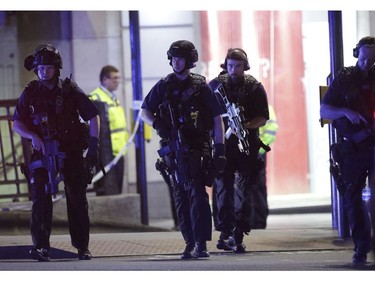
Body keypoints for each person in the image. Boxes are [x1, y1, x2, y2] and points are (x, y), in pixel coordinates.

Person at [13, 44, 100, 262]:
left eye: (49, 68)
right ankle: (41, 246)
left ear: (57, 69)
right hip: (43, 153)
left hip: (70, 151)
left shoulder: (70, 90)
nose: (44, 72)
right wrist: (33, 137)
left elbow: (93, 116)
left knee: (77, 199)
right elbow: (17, 122)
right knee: (40, 199)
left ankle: (82, 247)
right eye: (41, 68)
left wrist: (93, 145)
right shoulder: (30, 91)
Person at [141, 40, 226, 259]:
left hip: (197, 147)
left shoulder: (201, 87)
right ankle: (188, 241)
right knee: (180, 196)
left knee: (197, 195)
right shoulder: (164, 85)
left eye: (181, 58)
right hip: (173, 150)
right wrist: (159, 124)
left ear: (189, 61)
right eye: (174, 58)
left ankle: (201, 243)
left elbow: (217, 119)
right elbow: (145, 112)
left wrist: (220, 149)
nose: (176, 62)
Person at [320, 36, 375, 264]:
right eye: (363, 59)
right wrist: (345, 111)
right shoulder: (345, 79)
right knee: (353, 198)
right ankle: (361, 248)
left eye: (371, 60)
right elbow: (325, 110)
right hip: (353, 146)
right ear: (356, 55)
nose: (366, 64)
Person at [210, 48, 269, 253]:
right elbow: (207, 114)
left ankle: (239, 233)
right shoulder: (216, 85)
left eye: (238, 66)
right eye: (231, 65)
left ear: (245, 67)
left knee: (244, 190)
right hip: (224, 146)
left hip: (247, 145)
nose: (234, 70)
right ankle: (224, 232)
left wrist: (245, 126)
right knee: (223, 189)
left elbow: (263, 116)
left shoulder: (254, 87)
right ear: (225, 65)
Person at [88, 65, 129, 195]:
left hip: (118, 150)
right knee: (108, 188)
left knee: (117, 187)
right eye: (114, 78)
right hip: (105, 151)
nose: (117, 81)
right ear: (105, 79)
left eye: (118, 78)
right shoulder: (96, 98)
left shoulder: (112, 97)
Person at [252, 105, 278, 229]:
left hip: (258, 151)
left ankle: (258, 221)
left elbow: (271, 130)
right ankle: (250, 220)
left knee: (257, 186)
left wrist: (259, 149)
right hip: (248, 150)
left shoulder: (265, 107)